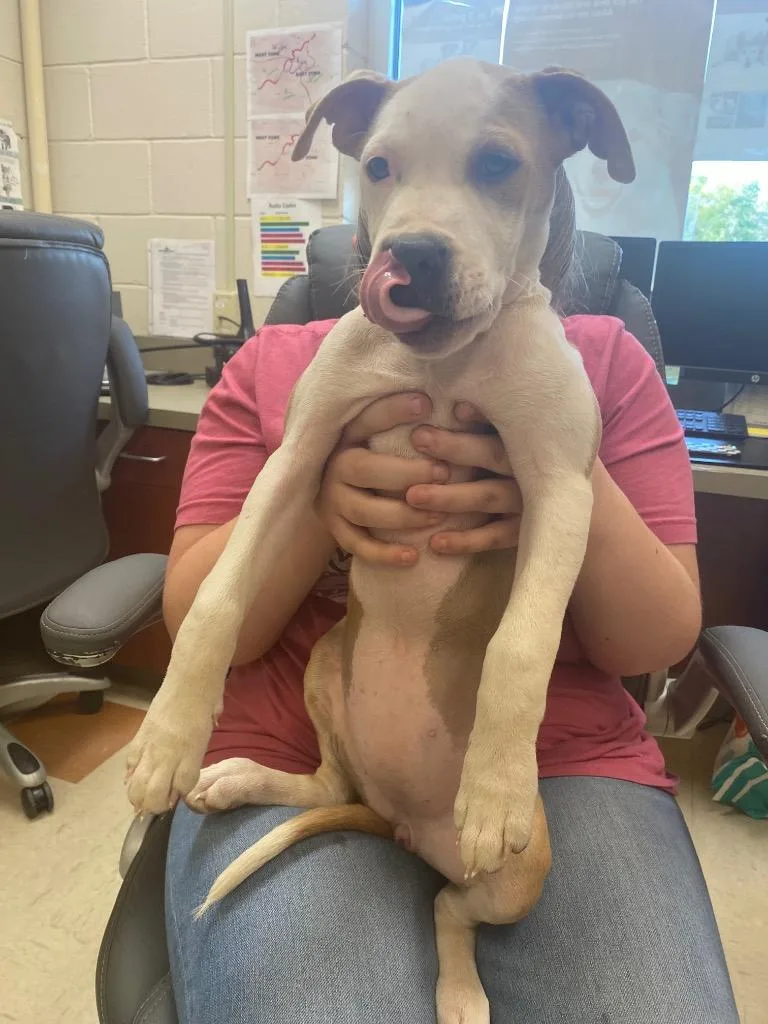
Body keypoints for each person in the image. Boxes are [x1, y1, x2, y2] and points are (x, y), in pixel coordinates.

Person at [163, 224, 738, 1024]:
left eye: (492, 163)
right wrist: (316, 499)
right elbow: (196, 621)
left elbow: (656, 640)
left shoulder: (602, 357)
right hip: (299, 730)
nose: (434, 214)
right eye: (392, 166)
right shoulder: (277, 360)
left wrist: (558, 457)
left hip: (552, 758)